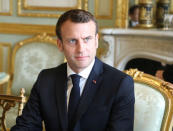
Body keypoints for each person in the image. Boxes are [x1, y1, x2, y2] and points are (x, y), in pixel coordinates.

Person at [11, 9, 135, 131]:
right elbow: (26, 126)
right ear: (60, 44)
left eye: (87, 39)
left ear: (96, 41)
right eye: (72, 41)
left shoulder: (120, 84)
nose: (81, 49)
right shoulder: (46, 79)